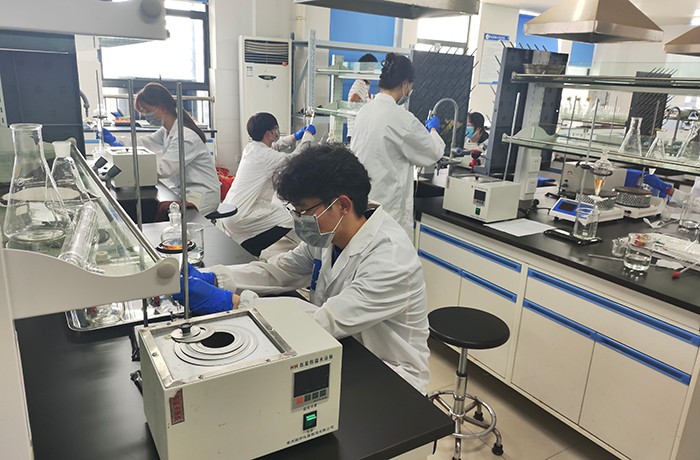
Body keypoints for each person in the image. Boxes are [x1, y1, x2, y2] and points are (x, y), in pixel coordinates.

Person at [174, 144, 431, 392]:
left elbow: (323, 320)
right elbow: (279, 272)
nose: (298, 220)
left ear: (342, 205)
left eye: (304, 211)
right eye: (295, 211)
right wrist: (217, 278)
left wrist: (234, 303)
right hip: (341, 349)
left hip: (388, 376)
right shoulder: (329, 236)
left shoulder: (390, 258)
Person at [350, 52, 445, 237]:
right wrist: (433, 130)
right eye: (410, 86)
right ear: (405, 84)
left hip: (362, 204)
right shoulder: (402, 118)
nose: (409, 91)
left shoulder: (364, 111)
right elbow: (433, 153)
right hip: (387, 211)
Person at [222, 112, 315, 257]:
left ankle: (247, 244)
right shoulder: (265, 156)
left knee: (277, 211)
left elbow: (275, 147)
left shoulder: (252, 148)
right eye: (275, 129)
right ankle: (251, 248)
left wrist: (295, 137)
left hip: (229, 210)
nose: (277, 132)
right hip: (241, 215)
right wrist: (308, 136)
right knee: (289, 219)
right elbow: (296, 159)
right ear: (269, 133)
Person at [134, 82, 220, 216]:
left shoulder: (185, 136)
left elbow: (164, 170)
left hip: (200, 193)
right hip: (182, 190)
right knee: (158, 210)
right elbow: (144, 142)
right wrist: (118, 144)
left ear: (162, 108)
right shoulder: (167, 130)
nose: (146, 115)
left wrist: (135, 167)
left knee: (173, 219)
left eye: (147, 111)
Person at [346, 53, 378, 143]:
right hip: (356, 134)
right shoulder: (361, 84)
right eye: (374, 68)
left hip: (356, 133)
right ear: (368, 69)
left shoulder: (364, 85)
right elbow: (353, 100)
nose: (375, 72)